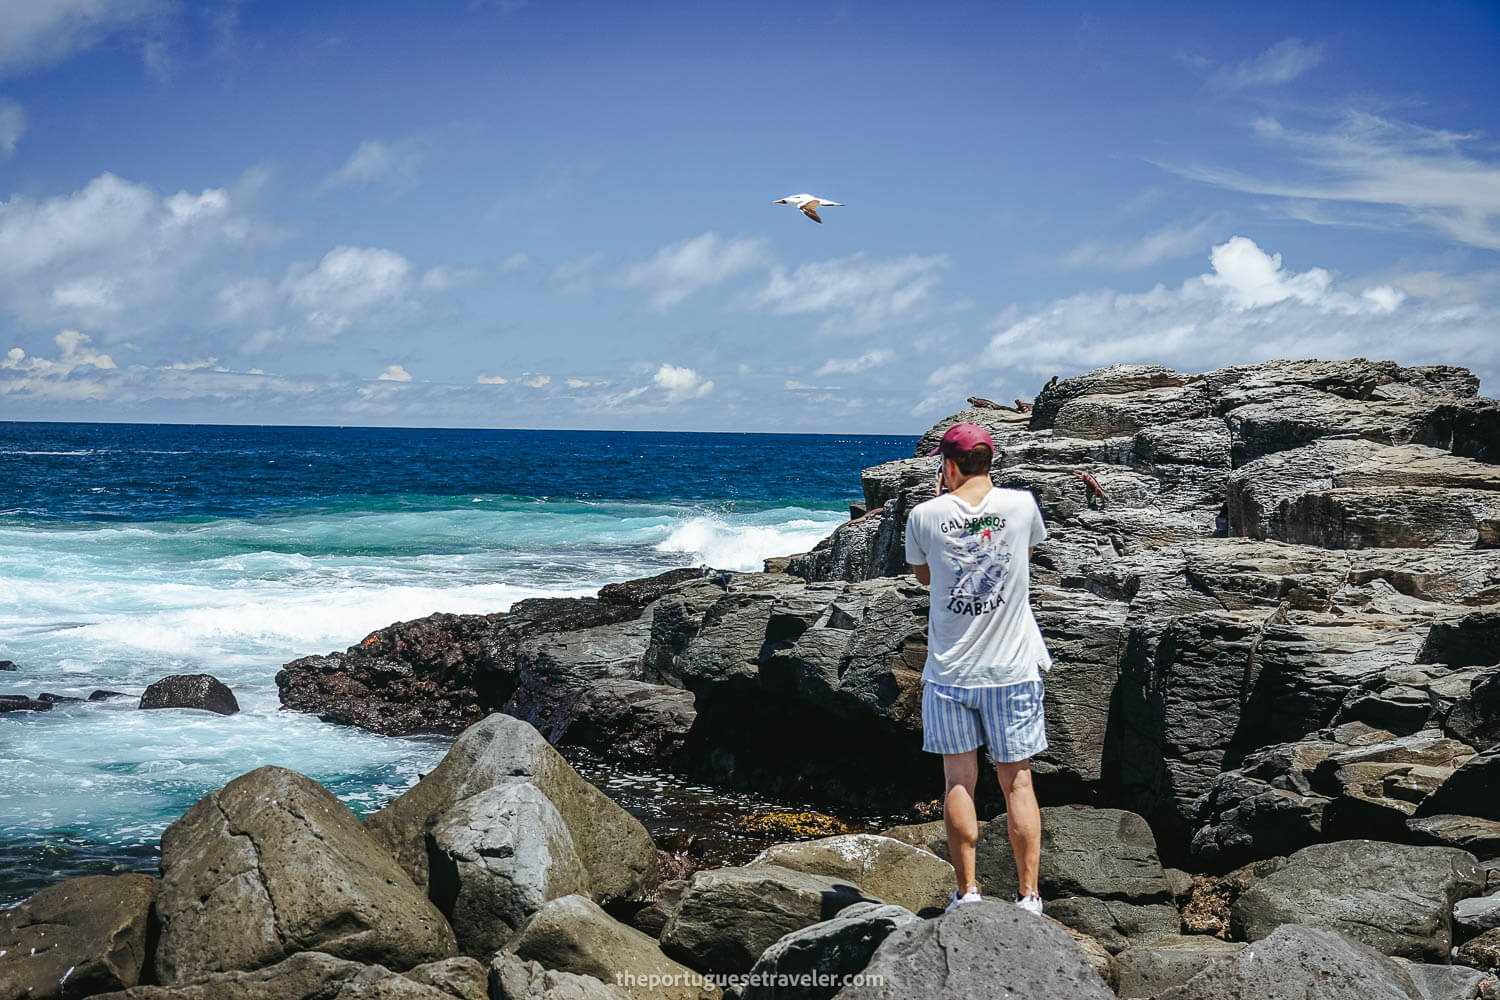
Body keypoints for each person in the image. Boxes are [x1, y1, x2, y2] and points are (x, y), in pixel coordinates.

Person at [904, 422, 1051, 916]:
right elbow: (1024, 557)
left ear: (947, 465)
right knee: (1019, 783)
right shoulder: (1022, 504)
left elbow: (926, 578)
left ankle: (967, 894)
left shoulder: (924, 515)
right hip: (1013, 669)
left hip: (950, 673)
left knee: (958, 783)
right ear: (990, 461)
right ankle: (1028, 897)